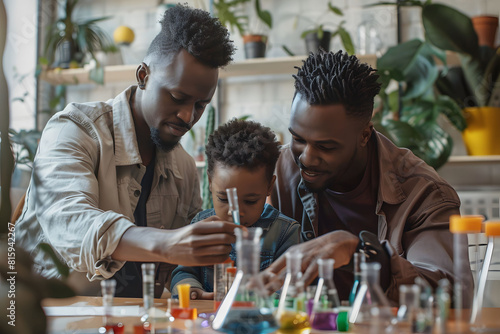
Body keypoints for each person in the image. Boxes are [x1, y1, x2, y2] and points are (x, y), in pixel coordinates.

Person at [16, 4, 239, 298]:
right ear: (143, 76)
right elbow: (69, 221)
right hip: (52, 314)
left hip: (137, 318)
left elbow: (179, 264)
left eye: (201, 105)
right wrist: (166, 243)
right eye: (177, 97)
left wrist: (191, 284)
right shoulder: (73, 130)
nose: (188, 116)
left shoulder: (183, 165)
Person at [262, 50, 473, 306]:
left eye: (326, 147)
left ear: (364, 135)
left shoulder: (425, 193)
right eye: (298, 139)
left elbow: (447, 297)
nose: (306, 158)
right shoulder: (276, 171)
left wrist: (361, 255)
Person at [170, 119, 300, 299]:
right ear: (209, 183)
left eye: (250, 201)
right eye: (224, 198)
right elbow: (183, 272)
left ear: (269, 187)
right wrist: (193, 292)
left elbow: (288, 289)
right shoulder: (201, 225)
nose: (235, 212)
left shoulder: (286, 233)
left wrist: (253, 296)